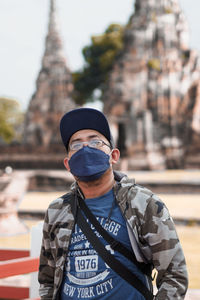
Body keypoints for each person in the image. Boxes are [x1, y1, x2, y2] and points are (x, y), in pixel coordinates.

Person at [38, 108, 188, 300]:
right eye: (76, 145)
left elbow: (175, 276)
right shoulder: (57, 211)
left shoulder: (143, 204)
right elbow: (48, 279)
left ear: (114, 156)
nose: (86, 148)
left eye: (95, 142)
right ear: (68, 164)